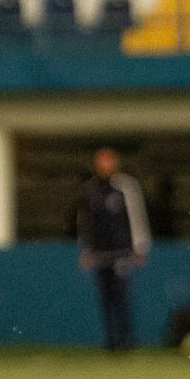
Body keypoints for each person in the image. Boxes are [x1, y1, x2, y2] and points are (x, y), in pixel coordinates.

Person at [77, 148, 150, 352]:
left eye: (108, 160)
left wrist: (140, 247)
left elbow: (136, 217)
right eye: (101, 161)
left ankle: (126, 342)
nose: (105, 165)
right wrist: (86, 250)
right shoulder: (90, 189)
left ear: (115, 163)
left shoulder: (126, 186)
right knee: (105, 298)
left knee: (122, 297)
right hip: (101, 254)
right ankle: (109, 342)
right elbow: (86, 222)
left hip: (122, 252)